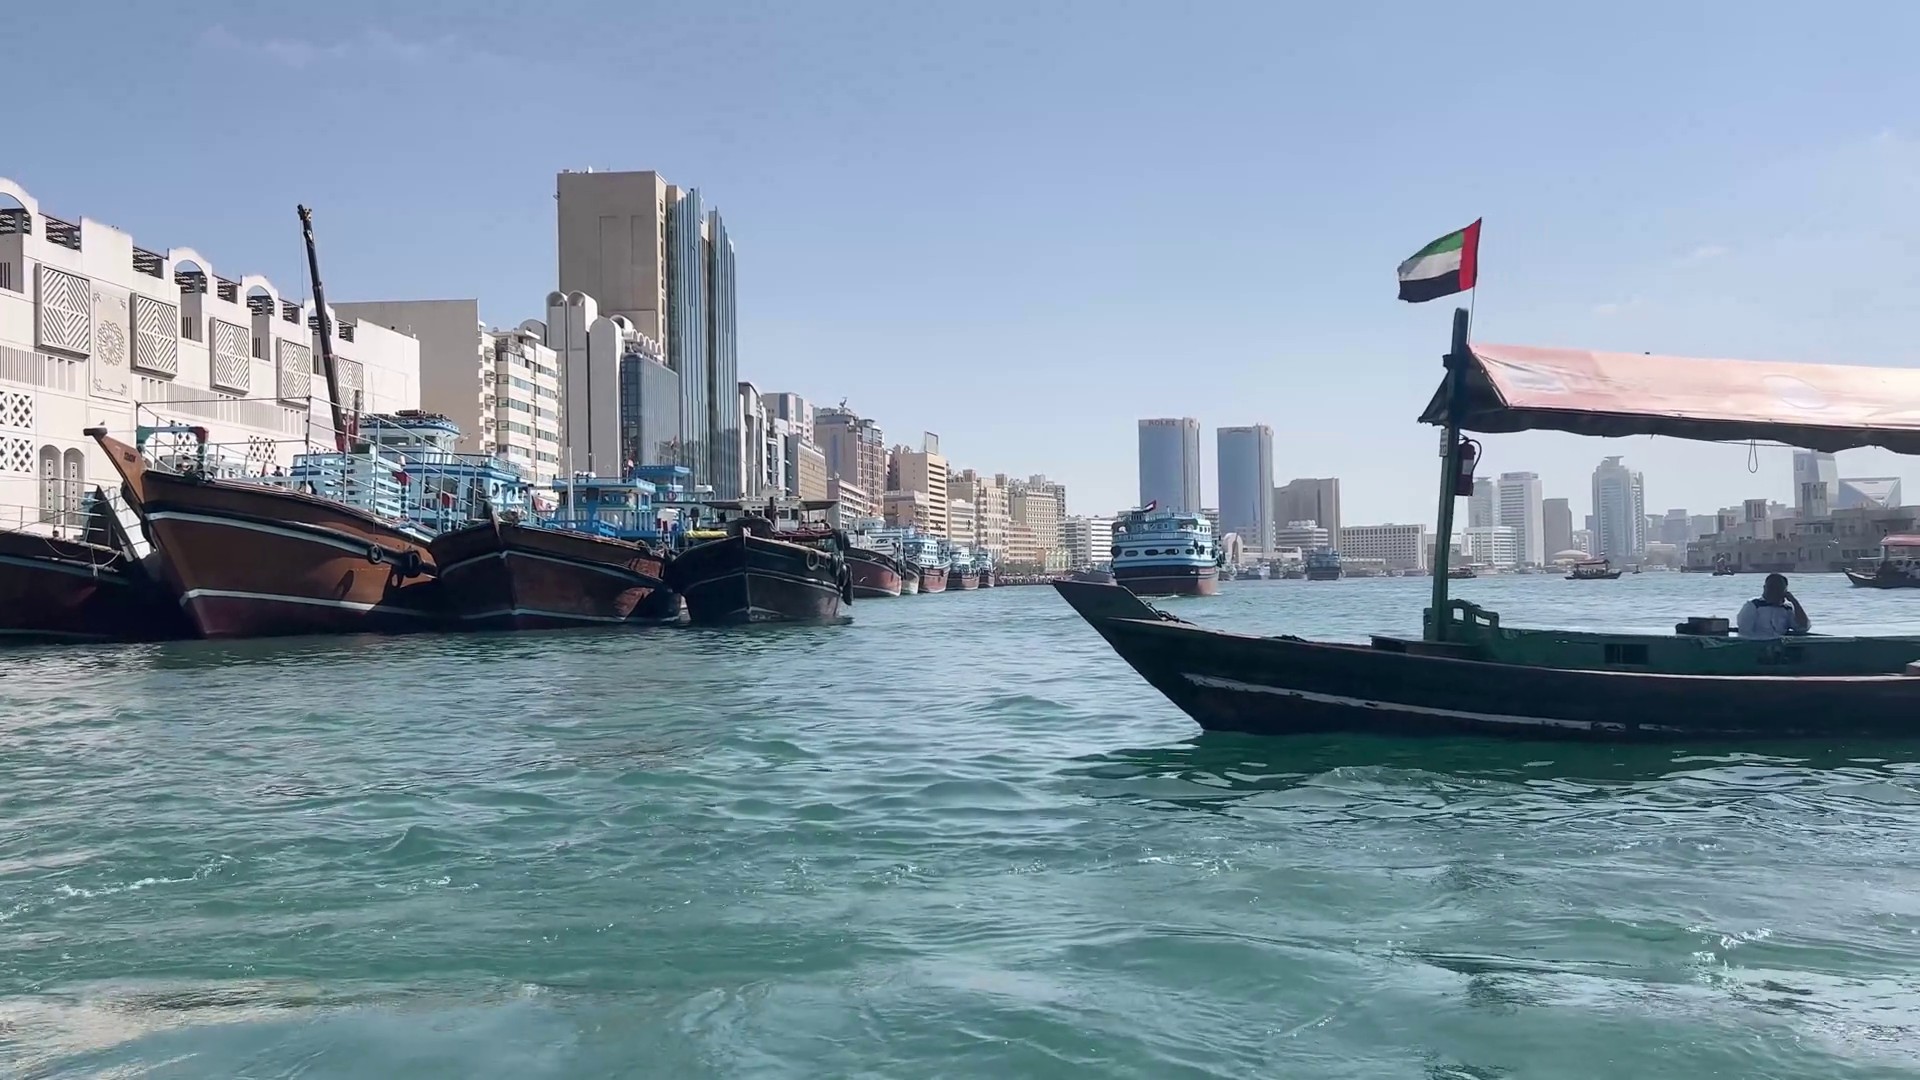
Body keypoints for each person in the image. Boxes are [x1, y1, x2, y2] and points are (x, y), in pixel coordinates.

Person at [1736, 573, 1811, 639]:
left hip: (1781, 646)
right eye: (1771, 588)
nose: (1773, 592)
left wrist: (1795, 602)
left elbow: (1803, 627)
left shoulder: (1787, 609)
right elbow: (1745, 633)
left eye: (1778, 589)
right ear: (1764, 588)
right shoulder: (1753, 606)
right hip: (1757, 645)